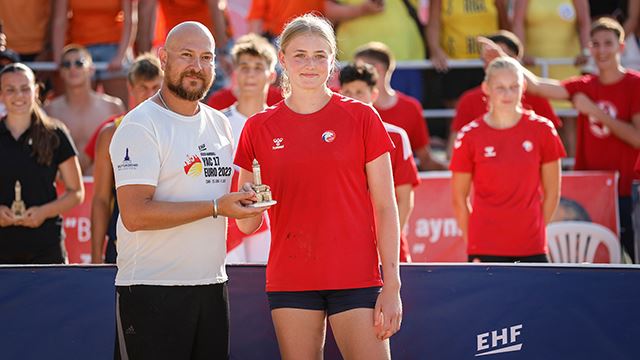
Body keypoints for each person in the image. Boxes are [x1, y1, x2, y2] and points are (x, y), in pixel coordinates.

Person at [235, 14, 402, 359]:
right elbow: (247, 223)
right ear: (282, 60)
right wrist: (247, 205)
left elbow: (386, 206)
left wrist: (393, 284)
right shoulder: (258, 128)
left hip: (356, 277)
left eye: (319, 55)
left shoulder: (363, 117)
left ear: (332, 60)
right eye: (299, 55)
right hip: (291, 278)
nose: (310, 64)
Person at [109, 21, 268, 359]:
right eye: (186, 55)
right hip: (151, 290)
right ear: (163, 57)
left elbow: (238, 217)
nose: (197, 66)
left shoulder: (220, 123)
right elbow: (135, 214)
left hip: (211, 286)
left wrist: (250, 202)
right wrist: (215, 206)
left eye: (206, 57)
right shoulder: (140, 124)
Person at [482, 17, 640, 262]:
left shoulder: (634, 84)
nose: (601, 50)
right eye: (595, 44)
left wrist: (596, 113)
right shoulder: (585, 85)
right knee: (595, 263)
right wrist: (506, 59)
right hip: (594, 190)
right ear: (589, 48)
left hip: (629, 188)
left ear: (621, 47)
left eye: (608, 43)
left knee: (634, 258)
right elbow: (535, 86)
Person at [450, 57, 566, 263]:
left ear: (524, 87)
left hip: (532, 247)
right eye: (500, 87)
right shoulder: (470, 135)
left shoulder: (543, 130)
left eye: (514, 87)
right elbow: (459, 199)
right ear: (486, 88)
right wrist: (475, 240)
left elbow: (553, 193)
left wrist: (533, 230)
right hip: (484, 247)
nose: (508, 94)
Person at [0, 63, 84, 264]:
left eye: (25, 88)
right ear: (1, 95)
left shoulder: (55, 134)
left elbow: (76, 192)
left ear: (36, 90)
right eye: (10, 90)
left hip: (46, 249)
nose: (18, 96)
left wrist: (43, 213)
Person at [339, 61, 421, 262]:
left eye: (360, 91)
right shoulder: (328, 138)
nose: (353, 97)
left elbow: (404, 200)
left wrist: (384, 243)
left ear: (373, 94)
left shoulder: (396, 136)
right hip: (344, 249)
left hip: (389, 253)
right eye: (347, 92)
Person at [89, 53, 163, 264]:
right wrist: (96, 257)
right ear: (130, 88)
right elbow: (101, 199)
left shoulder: (176, 128)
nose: (149, 94)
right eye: (143, 87)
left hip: (167, 240)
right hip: (122, 242)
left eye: (155, 87)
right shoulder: (111, 133)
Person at [448, 30, 562, 156]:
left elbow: (552, 151)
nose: (499, 64)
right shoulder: (469, 100)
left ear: (517, 62)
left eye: (502, 58)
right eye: (491, 58)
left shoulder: (537, 98)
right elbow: (453, 151)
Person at [223, 33, 277, 263]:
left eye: (258, 67)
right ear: (235, 74)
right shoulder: (218, 122)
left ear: (271, 75)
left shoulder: (281, 122)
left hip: (273, 219)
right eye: (244, 67)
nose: (251, 74)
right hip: (227, 221)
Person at [354, 41, 446, 170]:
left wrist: (451, 170)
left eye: (358, 69)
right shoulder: (351, 104)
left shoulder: (410, 107)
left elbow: (425, 158)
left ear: (378, 69)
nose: (354, 75)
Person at [44, 45, 125, 175]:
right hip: (64, 188)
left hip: (103, 187)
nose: (72, 68)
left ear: (91, 69)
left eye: (79, 63)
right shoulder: (49, 110)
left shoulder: (113, 106)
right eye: (66, 64)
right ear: (61, 72)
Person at [51, 0, 136, 106]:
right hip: (80, 50)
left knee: (120, 108)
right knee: (81, 107)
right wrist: (59, 56)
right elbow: (60, 20)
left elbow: (129, 20)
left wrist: (120, 56)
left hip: (114, 48)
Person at [426, 0, 509, 108]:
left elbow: (505, 23)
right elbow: (433, 22)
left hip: (489, 63)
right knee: (458, 115)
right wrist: (435, 50)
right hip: (454, 65)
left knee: (491, 110)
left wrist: (505, 52)